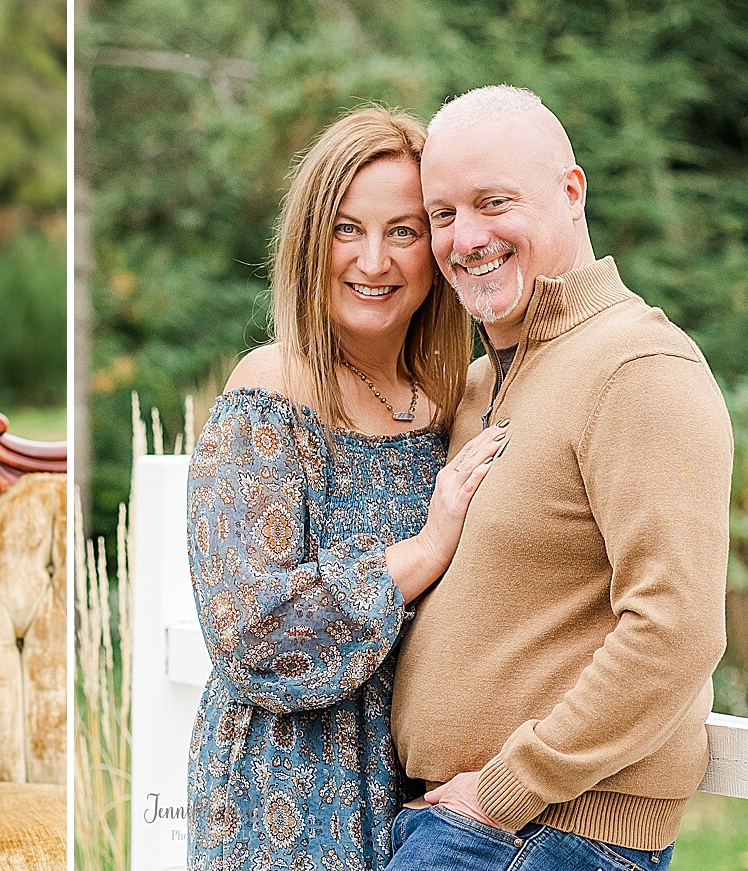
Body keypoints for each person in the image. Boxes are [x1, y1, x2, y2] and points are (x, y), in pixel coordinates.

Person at [387, 85, 733, 871]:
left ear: (570, 192)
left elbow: (674, 629)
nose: (465, 238)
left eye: (493, 202)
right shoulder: (479, 384)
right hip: (463, 827)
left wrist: (509, 786)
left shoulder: (637, 367)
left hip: (549, 834)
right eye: (443, 214)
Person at [186, 107, 509, 870]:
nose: (374, 260)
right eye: (346, 229)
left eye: (402, 231)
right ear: (310, 242)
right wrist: (424, 549)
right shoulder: (272, 385)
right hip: (283, 788)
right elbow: (248, 631)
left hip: (416, 792)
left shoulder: (447, 402)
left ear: (434, 250)